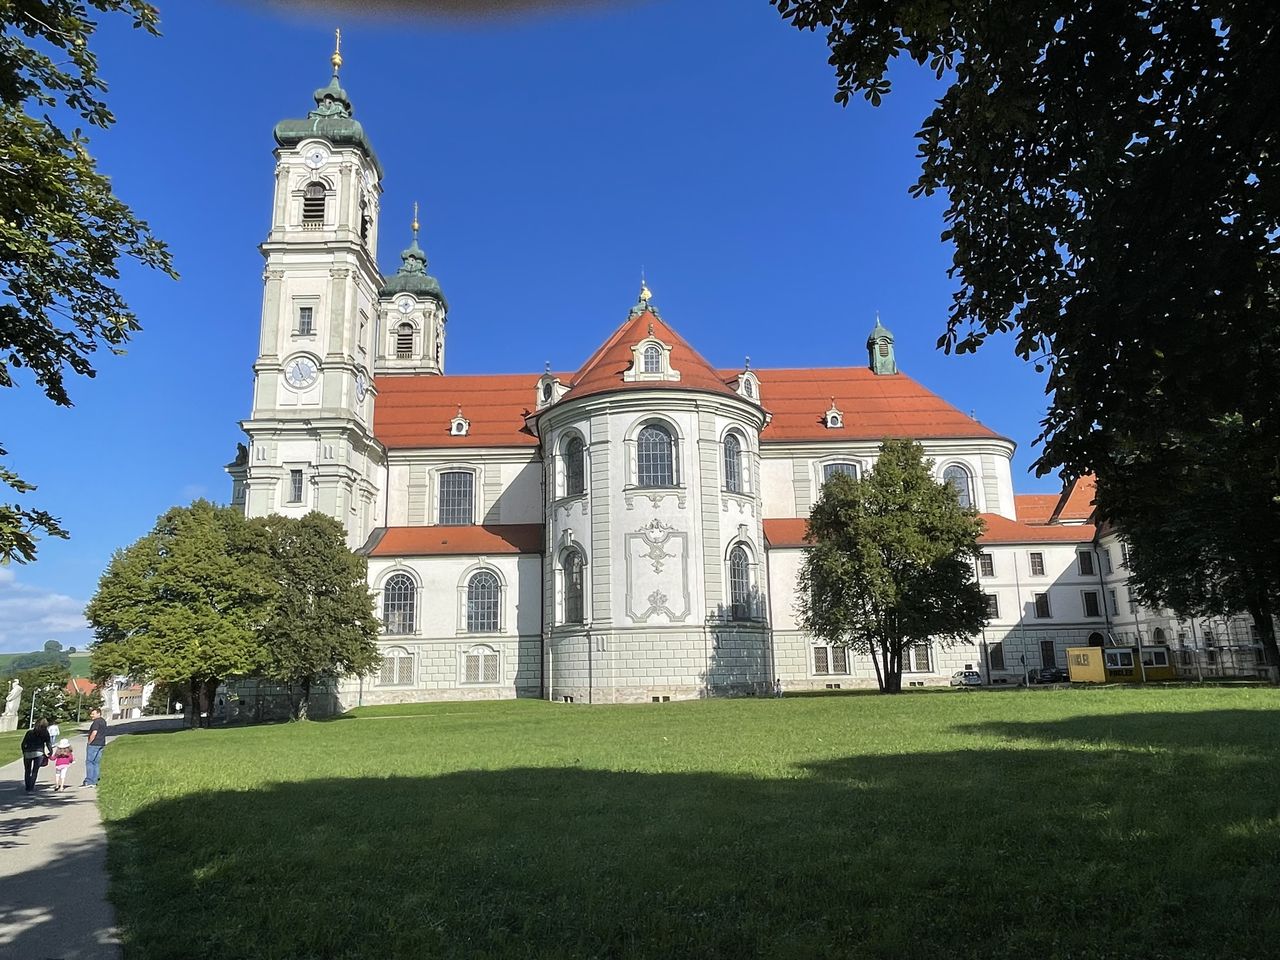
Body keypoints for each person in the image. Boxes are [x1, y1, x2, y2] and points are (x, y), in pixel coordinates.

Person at [20, 719, 52, 792]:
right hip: (39, 752)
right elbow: (48, 743)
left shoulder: (29, 732)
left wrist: (24, 751)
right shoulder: (45, 733)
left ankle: (27, 786)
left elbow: (23, 743)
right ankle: (31, 787)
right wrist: (50, 751)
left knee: (27, 771)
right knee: (35, 771)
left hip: (28, 752)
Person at [82, 707, 107, 787]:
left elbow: (94, 732)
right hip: (101, 743)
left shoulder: (96, 722)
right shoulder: (103, 721)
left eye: (93, 714)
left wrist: (89, 742)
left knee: (89, 762)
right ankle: (95, 780)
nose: (91, 715)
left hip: (94, 744)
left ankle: (89, 781)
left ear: (98, 713)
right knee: (96, 762)